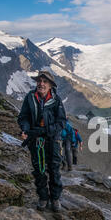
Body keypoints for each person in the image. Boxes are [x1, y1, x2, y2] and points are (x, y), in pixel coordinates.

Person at [17, 71, 66, 212]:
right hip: (35, 140)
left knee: (54, 169)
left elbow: (61, 122)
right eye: (39, 81)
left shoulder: (57, 100)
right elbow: (23, 117)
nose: (41, 84)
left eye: (45, 81)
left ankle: (55, 198)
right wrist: (25, 129)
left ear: (50, 85)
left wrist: (45, 131)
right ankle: (43, 197)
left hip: (53, 140)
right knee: (39, 169)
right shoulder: (30, 98)